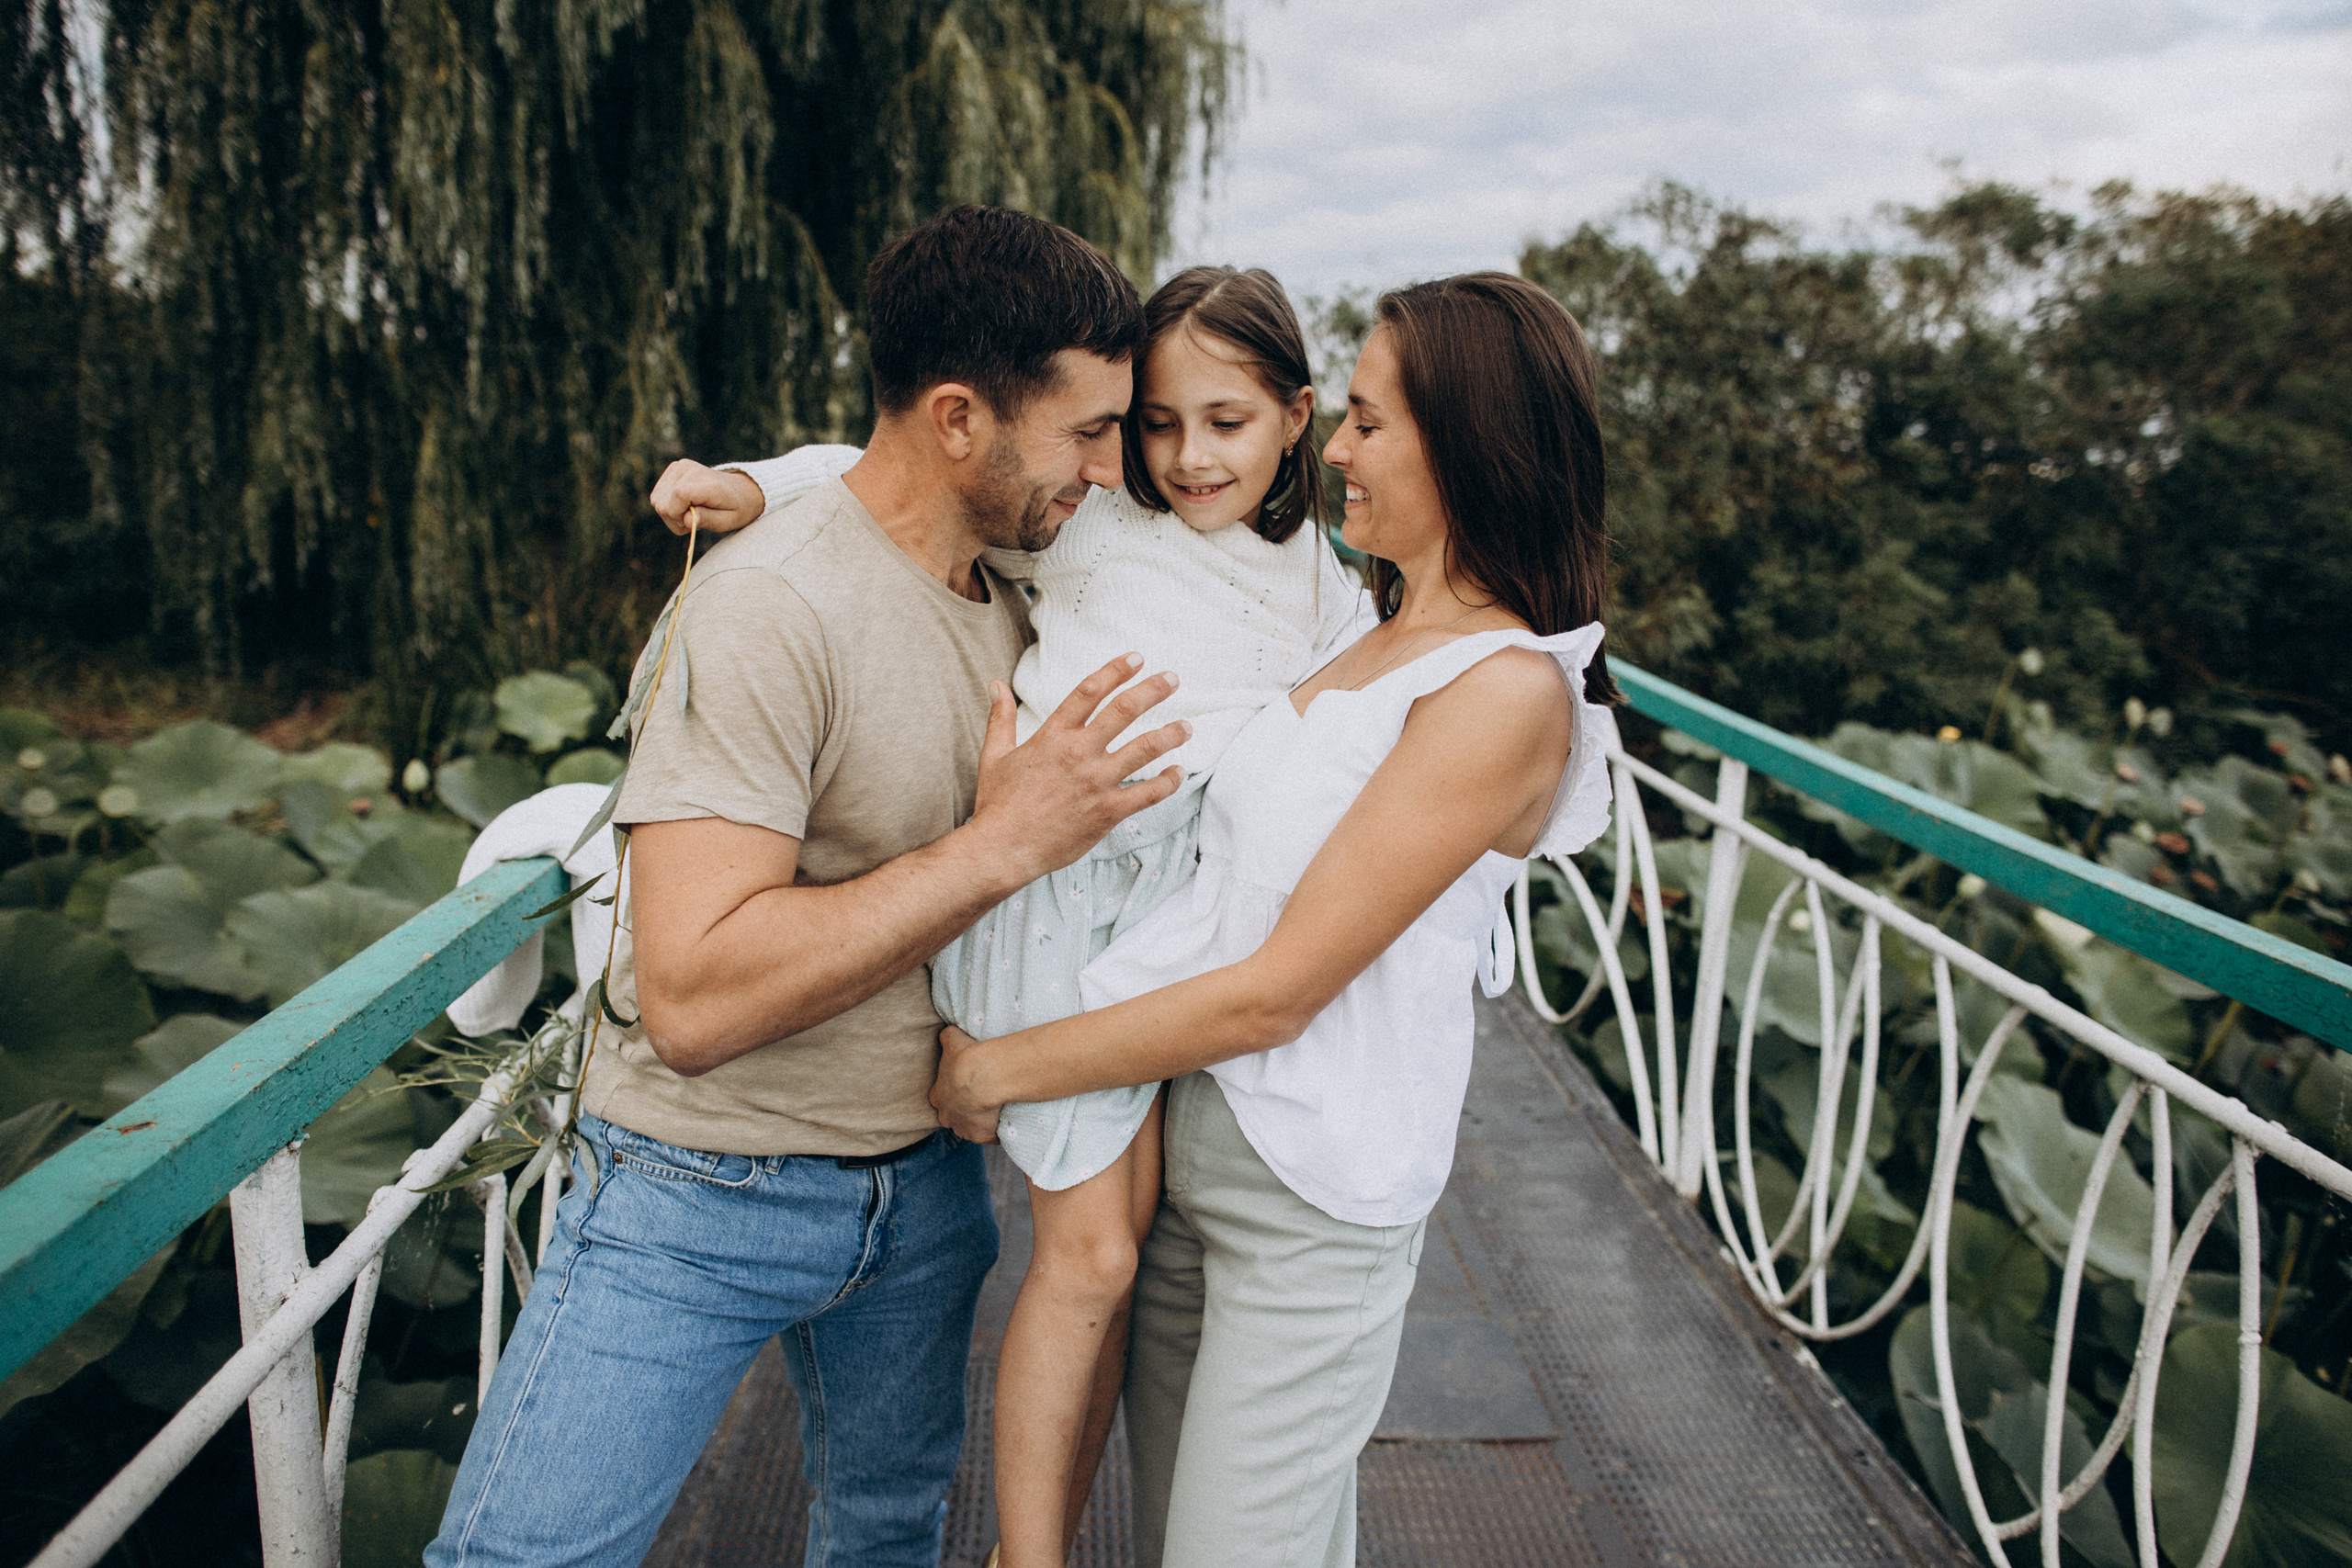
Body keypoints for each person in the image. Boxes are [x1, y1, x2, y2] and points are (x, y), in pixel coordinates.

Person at [424, 205, 1191, 1568]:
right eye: (1087, 432)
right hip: (695, 1193)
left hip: (925, 1199)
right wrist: (1009, 843)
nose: (1112, 466)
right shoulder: (767, 608)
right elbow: (694, 996)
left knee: (888, 1536)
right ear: (959, 419)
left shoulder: (1019, 571)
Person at [674, 265, 1370, 1568]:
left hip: (1173, 926)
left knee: (1118, 1245)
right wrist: (754, 484)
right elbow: (879, 473)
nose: (1181, 456)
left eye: (1224, 422)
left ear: (1297, 412)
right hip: (1059, 906)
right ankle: (1028, 1555)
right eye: (1154, 422)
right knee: (1097, 1255)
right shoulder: (1094, 522)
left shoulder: (1327, 586)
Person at [929, 271, 1623, 1568]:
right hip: (1194, 1162)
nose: (1338, 448)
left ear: (1471, 442)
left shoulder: (1504, 690)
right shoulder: (1355, 626)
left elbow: (1277, 991)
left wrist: (996, 1071)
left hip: (1315, 1201)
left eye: (1364, 419)